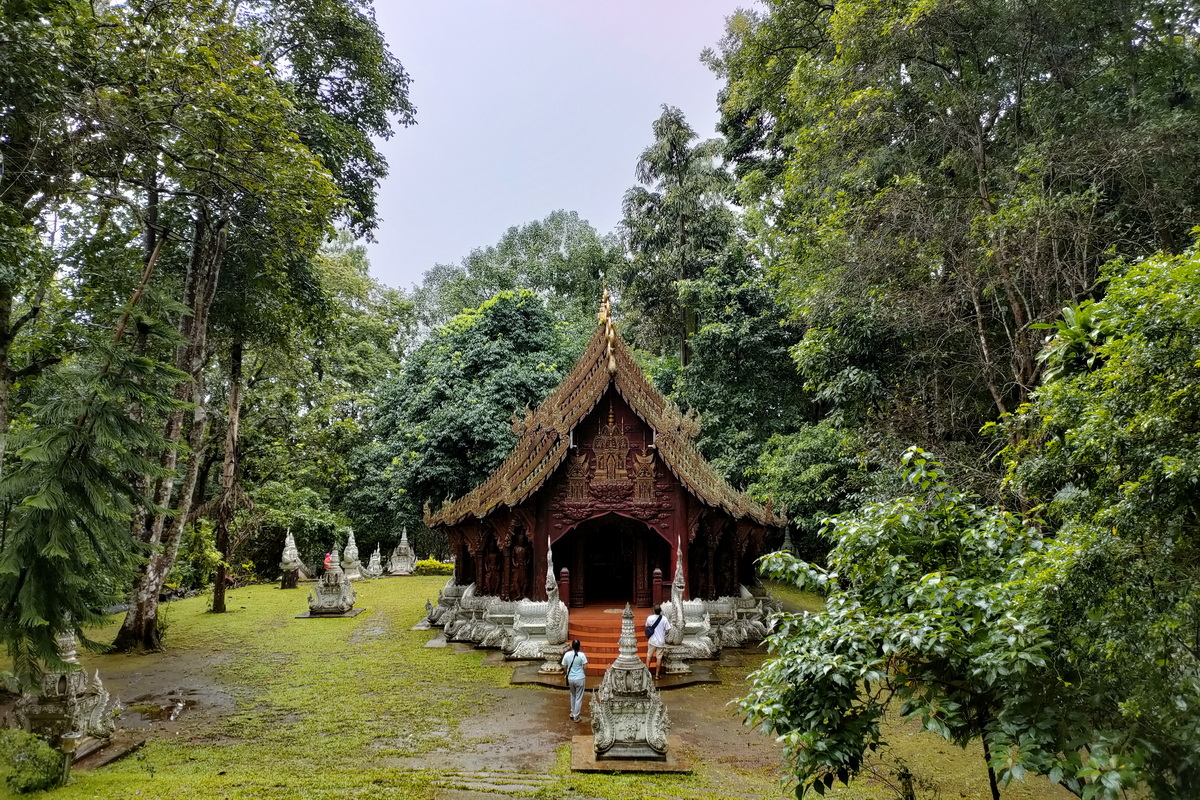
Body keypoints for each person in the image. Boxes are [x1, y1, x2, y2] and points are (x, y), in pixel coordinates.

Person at [560, 639, 588, 722]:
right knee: (579, 697)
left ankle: (572, 712)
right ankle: (576, 716)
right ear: (579, 646)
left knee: (573, 695)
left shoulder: (567, 654)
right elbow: (585, 666)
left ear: (572, 646)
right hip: (580, 678)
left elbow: (564, 666)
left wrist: (569, 670)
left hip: (570, 678)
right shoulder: (582, 655)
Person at [644, 605, 671, 678]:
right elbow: (668, 629)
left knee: (649, 655)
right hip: (660, 641)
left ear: (653, 610)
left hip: (652, 640)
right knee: (659, 658)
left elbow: (646, 626)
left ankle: (647, 673)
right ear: (660, 611)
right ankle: (657, 675)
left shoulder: (650, 618)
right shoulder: (664, 619)